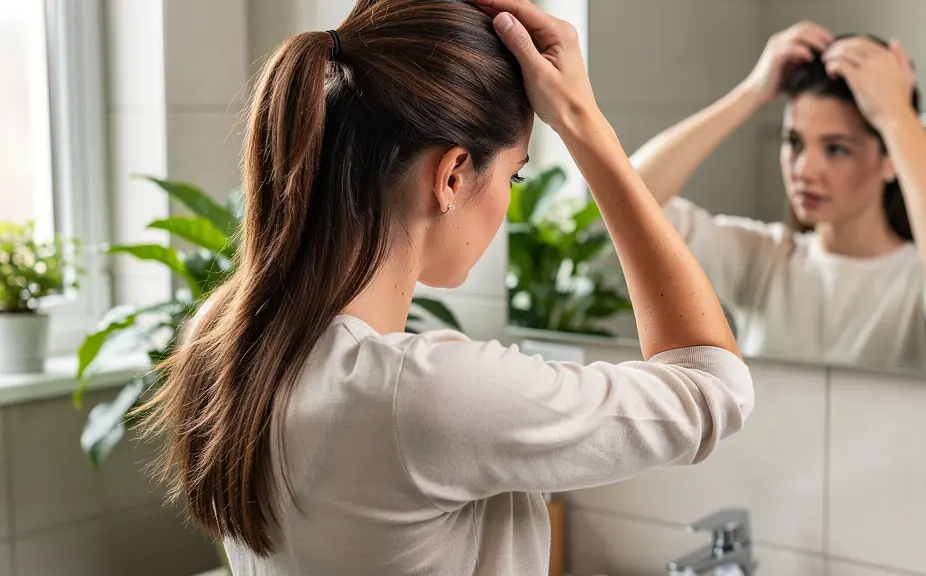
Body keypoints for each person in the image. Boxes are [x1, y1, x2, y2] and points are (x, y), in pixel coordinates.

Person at [137, 1, 754, 574]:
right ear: (453, 175)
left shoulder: (223, 338)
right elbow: (713, 387)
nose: (508, 202)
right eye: (513, 177)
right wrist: (580, 119)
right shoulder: (417, 395)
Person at [632, 22, 926, 372]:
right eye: (794, 142)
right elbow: (627, 203)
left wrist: (896, 114)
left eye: (836, 149)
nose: (804, 170)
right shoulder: (762, 261)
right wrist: (751, 92)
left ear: (890, 159)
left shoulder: (919, 283)